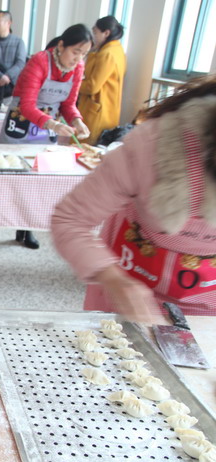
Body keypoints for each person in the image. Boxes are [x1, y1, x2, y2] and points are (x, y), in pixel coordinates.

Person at [52, 74, 216, 320]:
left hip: (206, 308)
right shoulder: (154, 145)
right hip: (131, 295)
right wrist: (112, 278)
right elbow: (71, 219)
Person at [0, 24, 92, 250]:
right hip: (21, 123)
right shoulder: (39, 61)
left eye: (84, 54)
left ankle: (26, 228)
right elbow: (28, 105)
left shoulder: (78, 69)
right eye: (75, 52)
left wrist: (77, 120)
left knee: (36, 181)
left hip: (48, 127)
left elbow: (68, 104)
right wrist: (53, 124)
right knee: (7, 178)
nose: (77, 59)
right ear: (61, 46)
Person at [78, 16, 126, 145]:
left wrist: (73, 84)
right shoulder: (117, 49)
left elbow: (92, 86)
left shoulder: (107, 54)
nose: (93, 36)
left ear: (106, 33)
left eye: (95, 32)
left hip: (97, 110)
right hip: (108, 108)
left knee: (85, 149)